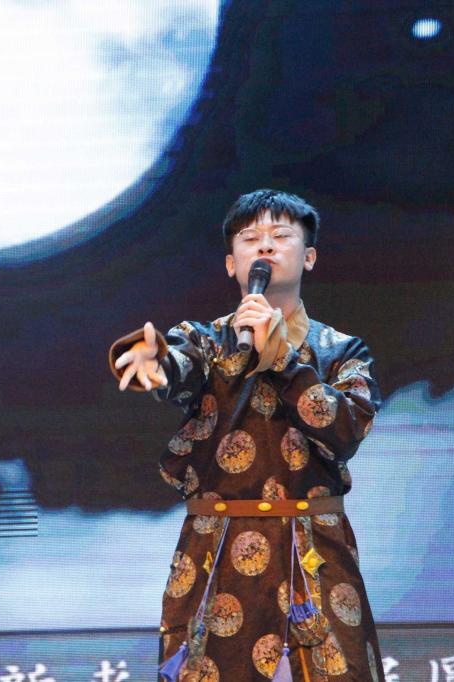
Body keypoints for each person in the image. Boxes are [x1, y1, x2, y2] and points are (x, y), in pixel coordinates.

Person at [111, 190, 384, 681]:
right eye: (250, 238)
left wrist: (283, 360)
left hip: (314, 549)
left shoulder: (342, 351)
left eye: (280, 236)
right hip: (216, 551)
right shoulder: (205, 341)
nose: (265, 247)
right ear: (231, 264)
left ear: (309, 257)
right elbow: (176, 367)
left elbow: (346, 430)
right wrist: (153, 362)